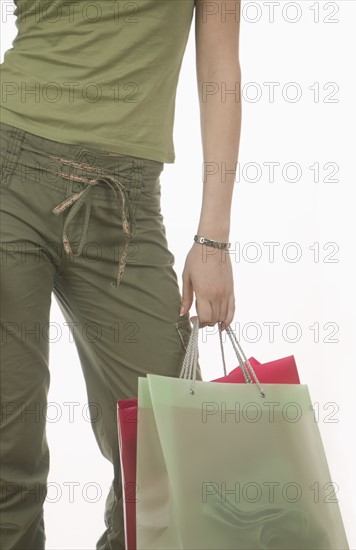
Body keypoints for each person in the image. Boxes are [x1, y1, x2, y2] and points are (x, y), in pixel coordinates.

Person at [0, 0, 240, 547]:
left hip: (124, 200)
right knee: (7, 451)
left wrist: (213, 239)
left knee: (170, 447)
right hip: (7, 168)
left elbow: (221, 66)